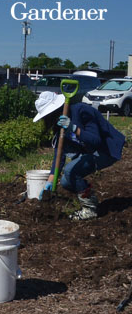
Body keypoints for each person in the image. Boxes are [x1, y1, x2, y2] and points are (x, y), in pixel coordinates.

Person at [33, 90, 125, 220]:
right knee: (66, 181)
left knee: (71, 171)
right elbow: (59, 155)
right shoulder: (59, 124)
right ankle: (89, 198)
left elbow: (96, 140)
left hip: (106, 150)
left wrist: (74, 128)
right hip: (90, 151)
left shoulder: (82, 111)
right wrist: (50, 181)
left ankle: (90, 210)